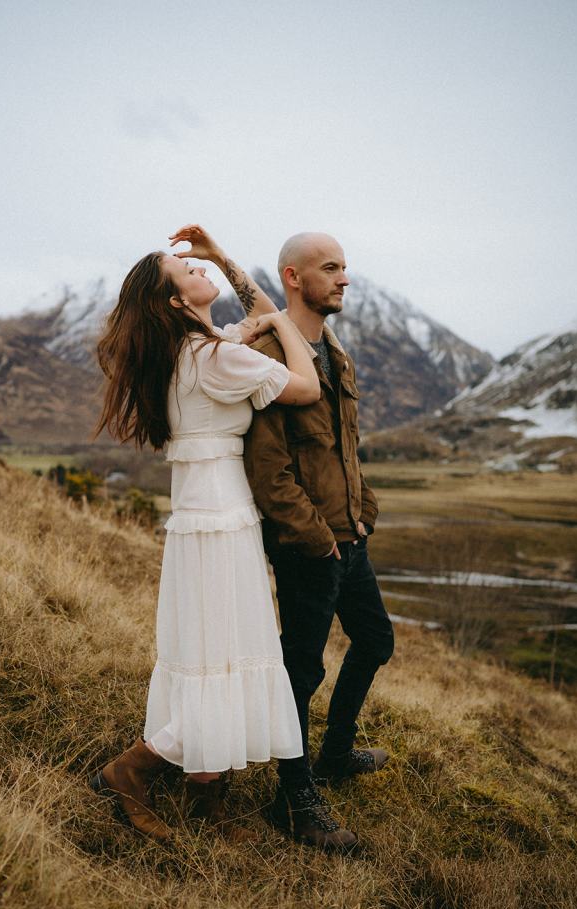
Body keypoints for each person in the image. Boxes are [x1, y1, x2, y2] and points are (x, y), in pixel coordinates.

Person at [89, 225, 318, 843]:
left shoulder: (193, 351)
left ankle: (206, 803)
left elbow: (251, 326)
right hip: (221, 519)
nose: (197, 269)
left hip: (201, 516)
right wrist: (289, 330)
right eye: (184, 269)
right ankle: (128, 773)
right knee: (223, 649)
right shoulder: (216, 358)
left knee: (210, 651)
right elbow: (306, 383)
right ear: (174, 302)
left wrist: (221, 261)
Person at [243, 232, 395, 853]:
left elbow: (344, 449)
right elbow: (268, 471)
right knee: (301, 669)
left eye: (345, 268)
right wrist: (315, 538)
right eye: (330, 268)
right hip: (310, 545)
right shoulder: (272, 358)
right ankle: (293, 797)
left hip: (348, 536)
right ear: (293, 276)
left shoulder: (333, 352)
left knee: (377, 640)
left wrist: (364, 512)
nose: (344, 279)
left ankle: (333, 756)